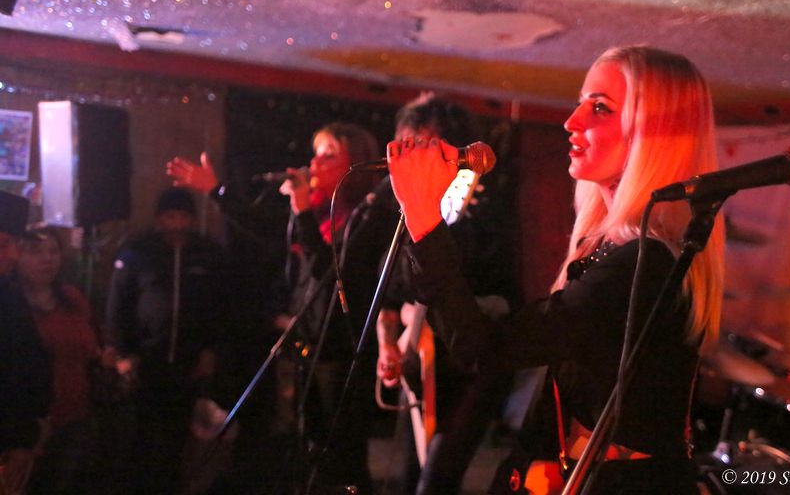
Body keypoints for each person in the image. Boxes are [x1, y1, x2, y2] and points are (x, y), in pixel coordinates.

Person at [386, 46, 725, 494]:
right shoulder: (606, 247)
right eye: (581, 102)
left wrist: (424, 219)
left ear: (654, 133)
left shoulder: (644, 265)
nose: (571, 121)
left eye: (600, 108)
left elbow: (486, 349)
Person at [169, 122, 388, 494]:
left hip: (341, 350)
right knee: (306, 445)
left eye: (329, 155)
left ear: (356, 164)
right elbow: (263, 227)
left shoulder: (363, 219)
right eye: (315, 153)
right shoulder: (315, 211)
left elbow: (329, 273)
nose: (315, 163)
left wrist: (301, 212)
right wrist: (216, 191)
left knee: (342, 454)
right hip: (307, 344)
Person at [376, 93, 517, 495]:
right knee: (408, 476)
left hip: (472, 368)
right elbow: (389, 297)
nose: (413, 155)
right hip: (420, 366)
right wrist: (388, 346)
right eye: (407, 144)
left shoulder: (482, 214)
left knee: (436, 480)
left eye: (423, 144)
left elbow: (504, 297)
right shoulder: (397, 213)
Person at [107, 187, 228, 494]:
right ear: (159, 219)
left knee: (179, 437)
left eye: (183, 217)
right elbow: (118, 305)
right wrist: (124, 353)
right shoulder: (137, 252)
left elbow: (219, 306)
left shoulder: (208, 254)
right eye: (170, 217)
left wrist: (210, 351)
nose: (176, 224)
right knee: (142, 436)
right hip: (145, 362)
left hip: (189, 364)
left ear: (192, 219)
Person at [15, 227, 101, 494]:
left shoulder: (72, 298)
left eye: (53, 251)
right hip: (27, 424)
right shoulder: (11, 305)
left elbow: (91, 347)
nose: (47, 259)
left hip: (75, 415)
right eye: (36, 252)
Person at [0, 192, 52, 495]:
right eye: (3, 244)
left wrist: (30, 435)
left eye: (16, 245)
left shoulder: (8, 290)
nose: (13, 255)